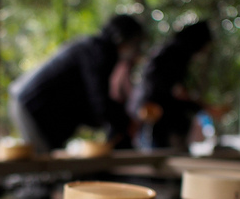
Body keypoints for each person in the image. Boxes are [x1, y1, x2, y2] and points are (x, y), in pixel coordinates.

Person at [8, 14, 144, 152]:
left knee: (49, 164)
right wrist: (125, 122)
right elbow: (99, 101)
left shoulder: (97, 49)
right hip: (32, 106)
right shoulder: (97, 52)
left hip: (30, 105)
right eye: (136, 42)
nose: (136, 49)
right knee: (44, 167)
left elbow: (92, 106)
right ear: (121, 37)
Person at [132, 20, 213, 150]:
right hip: (159, 117)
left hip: (163, 117)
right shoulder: (173, 55)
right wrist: (200, 106)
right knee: (161, 153)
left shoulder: (173, 52)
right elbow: (172, 91)